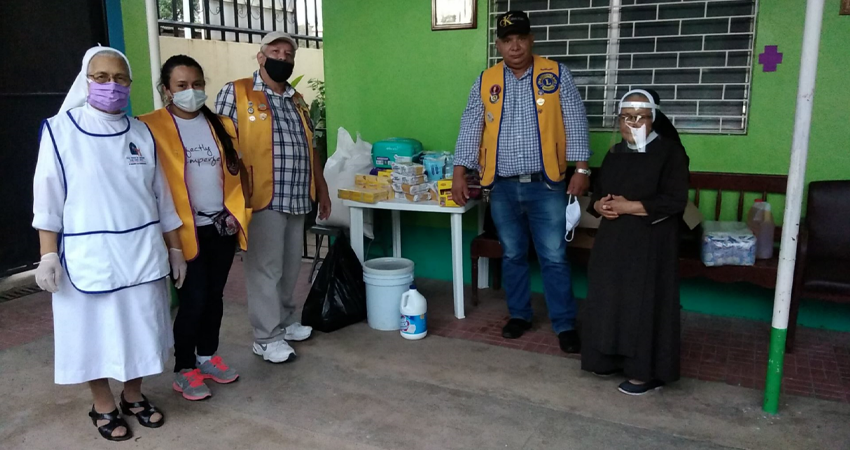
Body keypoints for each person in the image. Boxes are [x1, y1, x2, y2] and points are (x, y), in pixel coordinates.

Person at [32, 46, 185, 441]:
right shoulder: (60, 131)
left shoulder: (142, 132)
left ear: (130, 84)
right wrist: (48, 254)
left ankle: (134, 394)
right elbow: (48, 199)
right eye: (101, 77)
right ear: (86, 81)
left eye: (120, 78)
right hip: (88, 257)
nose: (112, 86)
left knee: (141, 329)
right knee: (92, 334)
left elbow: (161, 196)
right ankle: (102, 403)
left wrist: (174, 248)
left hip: (142, 252)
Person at [452, 11, 591, 352]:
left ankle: (564, 323)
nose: (514, 46)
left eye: (520, 38)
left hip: (546, 184)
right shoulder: (486, 81)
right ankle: (519, 315)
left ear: (531, 40)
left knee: (554, 255)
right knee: (512, 254)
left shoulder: (556, 75)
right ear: (498, 45)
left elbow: (575, 119)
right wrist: (459, 171)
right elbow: (471, 126)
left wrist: (582, 168)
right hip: (501, 186)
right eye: (507, 40)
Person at [138, 55, 250, 401]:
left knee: (214, 297)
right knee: (193, 299)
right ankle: (184, 368)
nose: (192, 91)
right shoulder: (148, 126)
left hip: (221, 227)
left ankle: (207, 356)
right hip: (182, 231)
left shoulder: (221, 124)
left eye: (197, 84)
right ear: (166, 90)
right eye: (182, 85)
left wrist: (236, 212)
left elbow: (235, 174)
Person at [215, 32, 331, 363]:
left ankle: (285, 321)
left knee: (290, 265)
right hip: (261, 196)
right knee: (265, 268)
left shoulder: (297, 100)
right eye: (275, 51)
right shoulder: (237, 92)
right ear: (261, 57)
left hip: (297, 196)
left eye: (288, 52)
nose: (283, 57)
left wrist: (321, 189)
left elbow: (311, 149)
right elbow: (223, 145)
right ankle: (266, 338)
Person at [580, 89, 690, 395]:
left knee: (642, 304)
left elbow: (675, 200)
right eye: (626, 118)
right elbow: (601, 192)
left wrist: (630, 207)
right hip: (614, 241)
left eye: (639, 118)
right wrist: (600, 206)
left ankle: (645, 372)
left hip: (650, 242)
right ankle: (609, 359)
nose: (632, 124)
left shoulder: (671, 153)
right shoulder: (615, 153)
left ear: (652, 120)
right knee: (611, 299)